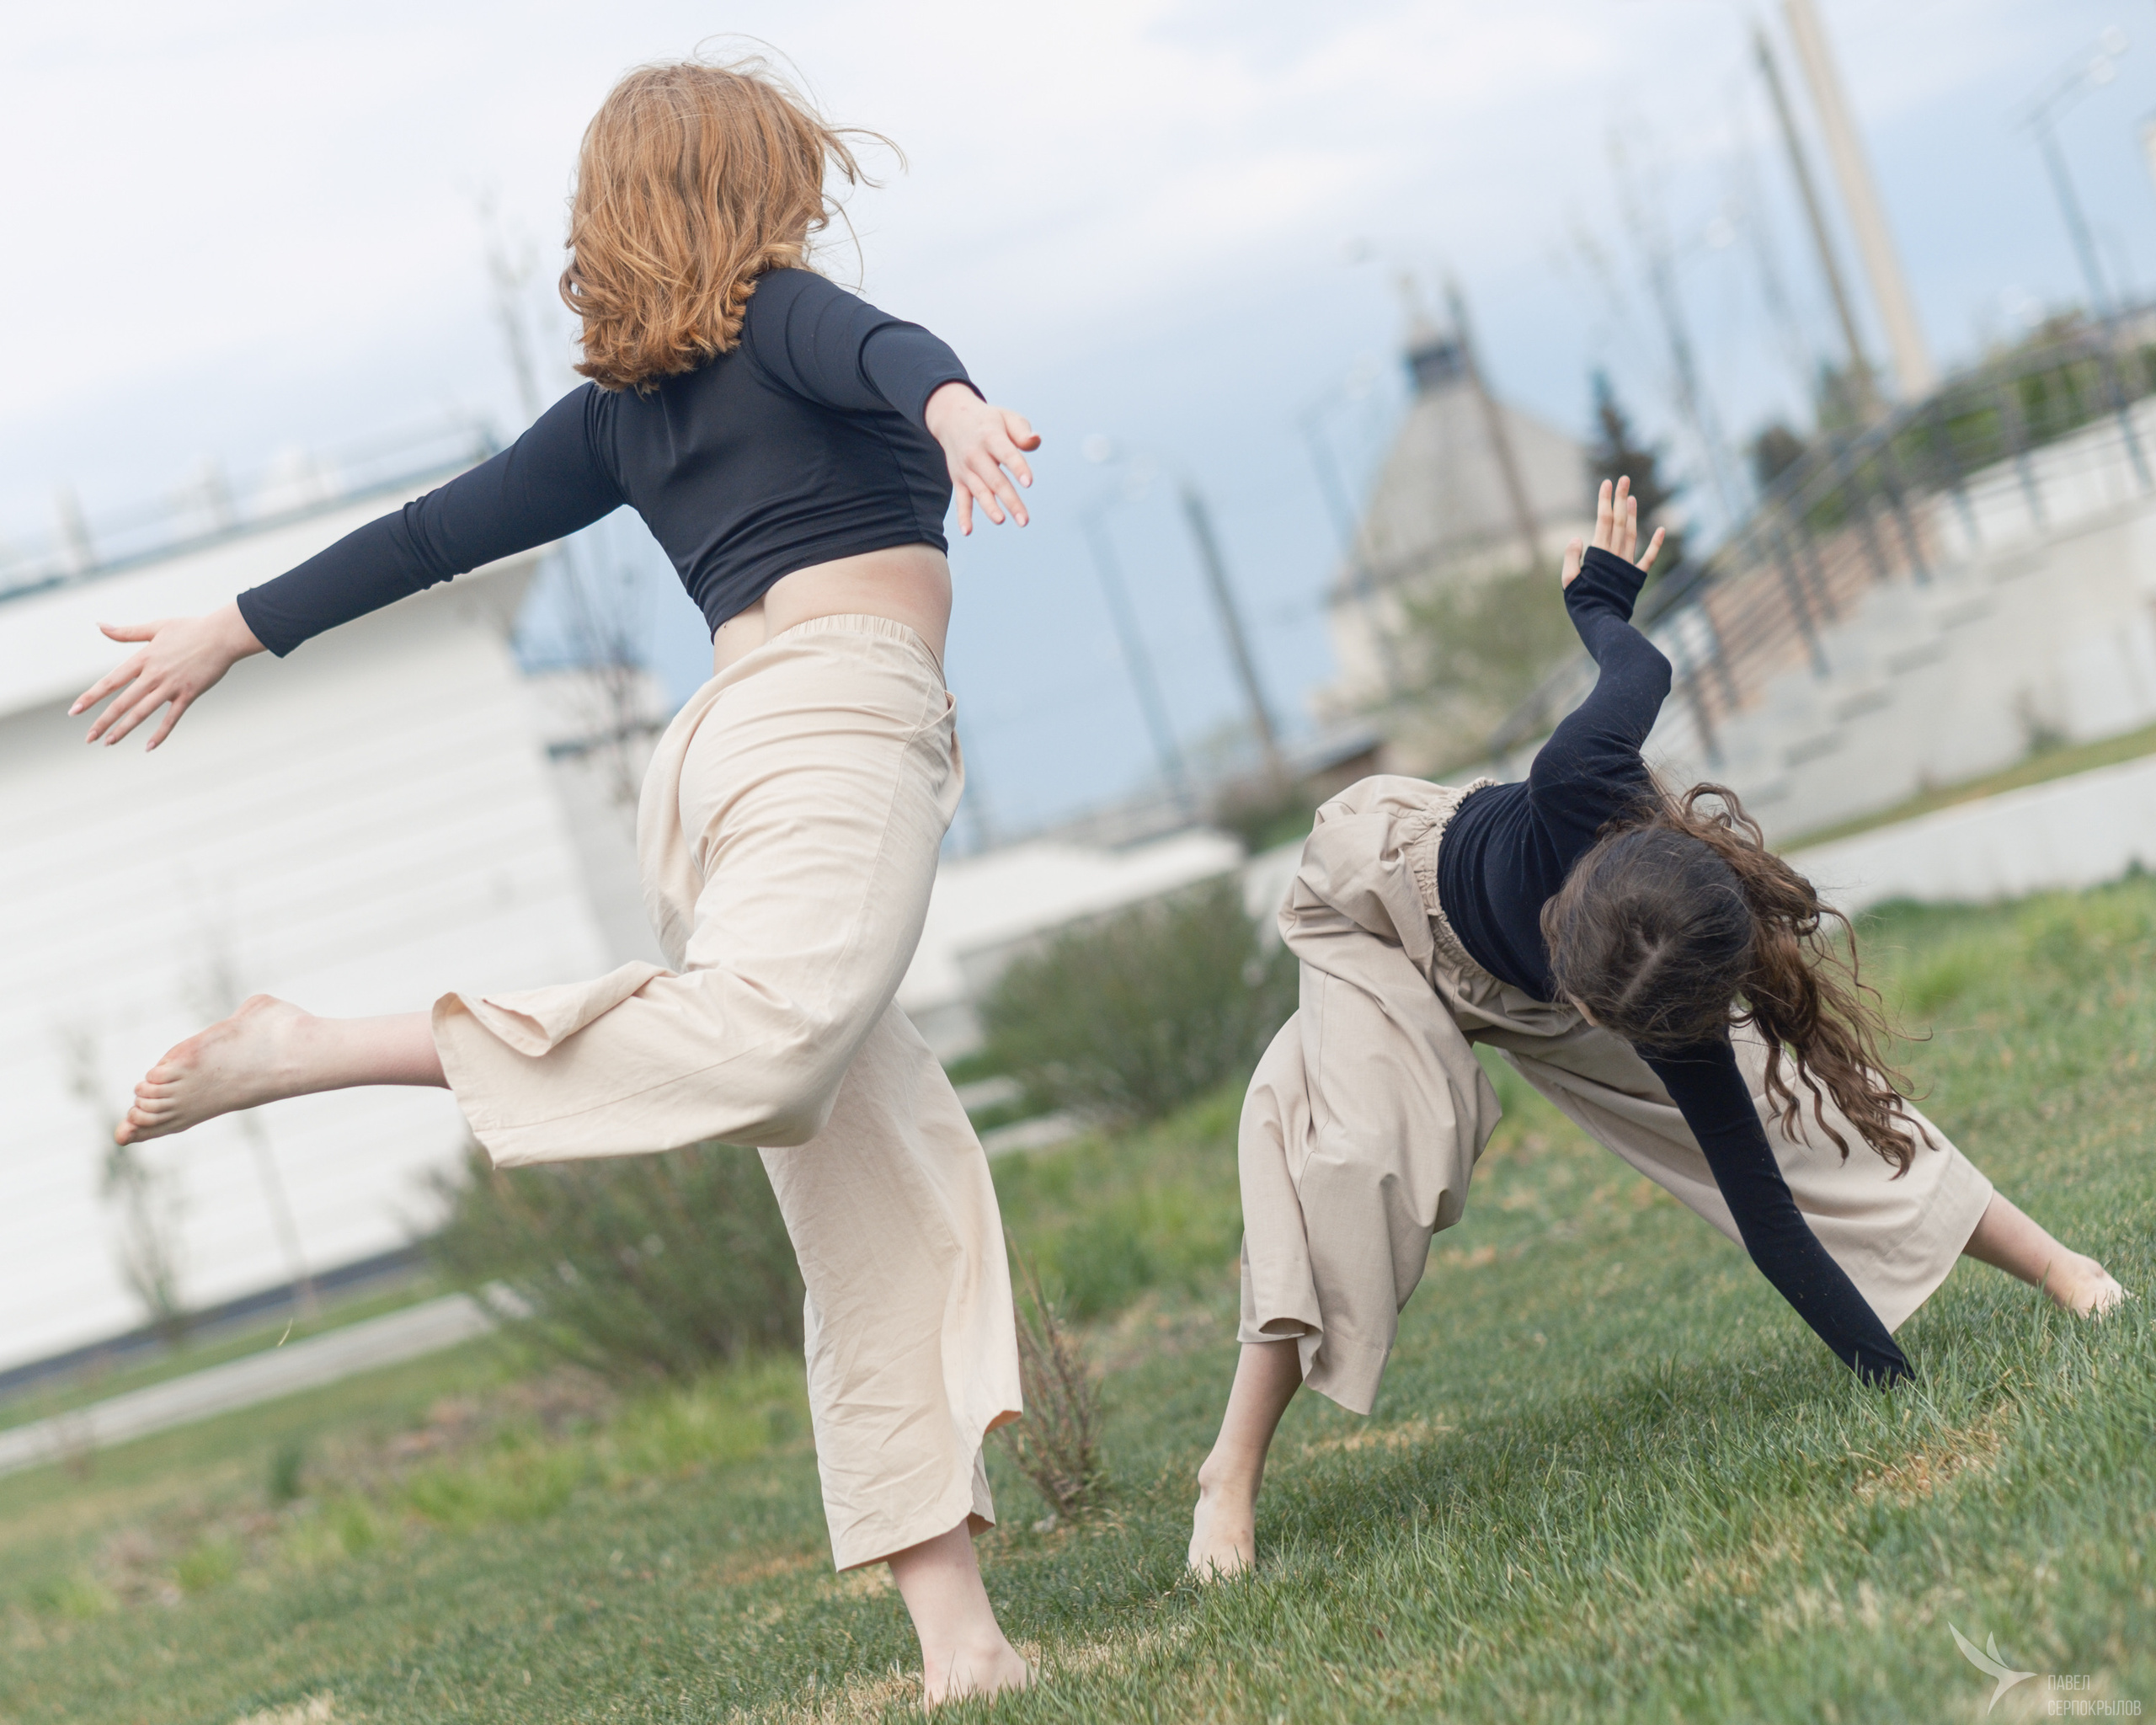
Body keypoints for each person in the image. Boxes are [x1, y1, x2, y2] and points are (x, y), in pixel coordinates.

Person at [72, 58, 1038, 1708]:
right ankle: (323, 1046)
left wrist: (230, 628)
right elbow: (880, 352)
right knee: (772, 1046)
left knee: (858, 1176)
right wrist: (951, 407)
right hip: (827, 725)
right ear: (750, 190)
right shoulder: (781, 318)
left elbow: (429, 533)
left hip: (718, 764)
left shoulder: (617, 410)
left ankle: (959, 1642)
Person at [1186, 477, 2129, 1581]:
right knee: (1358, 1157)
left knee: (1805, 1117)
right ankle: (1229, 1474)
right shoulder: (1579, 771)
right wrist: (1599, 592)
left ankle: (2063, 1267)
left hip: (1586, 962)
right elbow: (1638, 662)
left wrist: (1893, 1385)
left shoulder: (1666, 982)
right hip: (1379, 913)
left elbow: (1768, 1217)